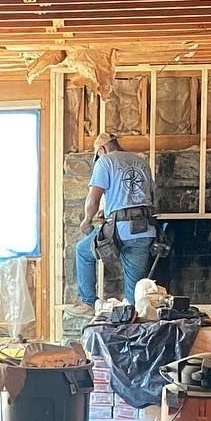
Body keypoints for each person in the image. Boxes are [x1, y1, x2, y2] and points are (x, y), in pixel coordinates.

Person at [69, 132, 157, 315]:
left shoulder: (105, 161)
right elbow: (148, 196)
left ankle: (88, 302)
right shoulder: (141, 162)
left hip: (119, 229)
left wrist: (87, 220)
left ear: (102, 149)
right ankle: (132, 317)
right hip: (145, 229)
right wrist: (110, 209)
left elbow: (93, 199)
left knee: (83, 251)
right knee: (135, 295)